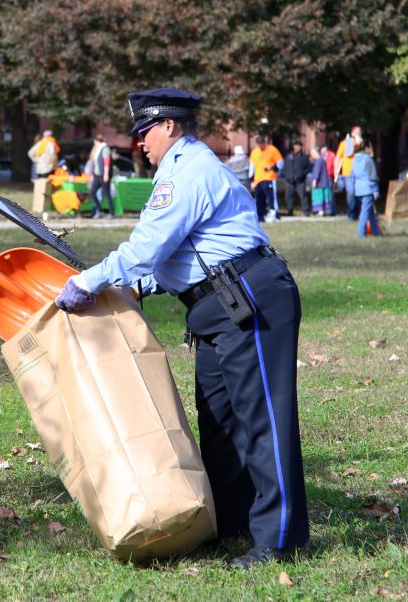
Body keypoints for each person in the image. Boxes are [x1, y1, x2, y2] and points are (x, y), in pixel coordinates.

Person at [54, 88, 309, 569]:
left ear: (170, 126)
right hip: (216, 305)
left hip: (248, 297)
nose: (139, 143)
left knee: (262, 421)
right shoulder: (177, 170)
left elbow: (145, 249)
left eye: (145, 131)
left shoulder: (187, 171)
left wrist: (87, 281)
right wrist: (139, 286)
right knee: (218, 421)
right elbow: (178, 255)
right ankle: (230, 524)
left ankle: (280, 541)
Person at [248, 135, 283, 223]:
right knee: (259, 198)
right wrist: (251, 180)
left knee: (271, 197)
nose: (261, 147)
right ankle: (260, 216)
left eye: (262, 144)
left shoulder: (272, 150)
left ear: (265, 142)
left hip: (269, 177)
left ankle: (275, 214)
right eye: (259, 145)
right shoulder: (255, 152)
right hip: (258, 179)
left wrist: (272, 167)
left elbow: (281, 163)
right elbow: (252, 167)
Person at [351, 139, 382, 237]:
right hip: (368, 189)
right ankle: (361, 233)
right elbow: (372, 177)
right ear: (366, 148)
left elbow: (352, 176)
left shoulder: (354, 159)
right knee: (365, 212)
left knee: (370, 212)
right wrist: (376, 190)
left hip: (358, 189)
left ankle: (376, 232)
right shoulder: (368, 160)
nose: (372, 149)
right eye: (370, 147)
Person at [334, 126, 363, 221]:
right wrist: (336, 171)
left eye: (360, 132)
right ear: (352, 133)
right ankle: (351, 215)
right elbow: (339, 156)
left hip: (359, 172)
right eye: (357, 132)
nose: (358, 133)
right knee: (351, 193)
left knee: (358, 193)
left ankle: (358, 214)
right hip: (348, 172)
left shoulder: (362, 143)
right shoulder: (344, 143)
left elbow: (366, 152)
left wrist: (360, 142)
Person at [28, 129, 59, 213]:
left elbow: (30, 153)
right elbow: (53, 155)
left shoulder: (40, 143)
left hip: (40, 169)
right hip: (49, 169)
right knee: (47, 188)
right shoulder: (51, 143)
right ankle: (46, 206)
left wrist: (37, 160)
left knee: (39, 188)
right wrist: (55, 165)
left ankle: (38, 205)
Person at [88, 132, 115, 218]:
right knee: (92, 193)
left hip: (103, 175)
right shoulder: (98, 149)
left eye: (95, 142)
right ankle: (99, 211)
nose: (94, 143)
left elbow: (107, 162)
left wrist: (106, 175)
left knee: (107, 194)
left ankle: (112, 213)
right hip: (97, 175)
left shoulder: (104, 148)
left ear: (97, 141)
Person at [281, 141, 311, 216]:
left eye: (299, 146)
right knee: (288, 197)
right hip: (289, 181)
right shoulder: (288, 157)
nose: (298, 148)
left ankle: (306, 211)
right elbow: (284, 167)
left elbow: (308, 168)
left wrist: (302, 175)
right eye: (296, 146)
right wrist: (286, 176)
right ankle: (290, 211)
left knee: (303, 196)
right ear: (294, 147)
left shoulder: (304, 157)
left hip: (300, 181)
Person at [308, 146, 331, 216]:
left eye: (312, 153)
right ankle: (323, 211)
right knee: (323, 197)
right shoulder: (322, 160)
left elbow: (317, 172)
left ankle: (320, 211)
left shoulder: (318, 161)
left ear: (315, 153)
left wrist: (314, 181)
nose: (311, 155)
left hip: (319, 184)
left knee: (318, 197)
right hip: (324, 183)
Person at [321, 145, 336, 216]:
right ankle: (326, 210)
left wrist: (334, 177)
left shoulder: (332, 155)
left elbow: (334, 166)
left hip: (329, 177)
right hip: (323, 177)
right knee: (325, 194)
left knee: (331, 194)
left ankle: (332, 210)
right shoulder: (322, 156)